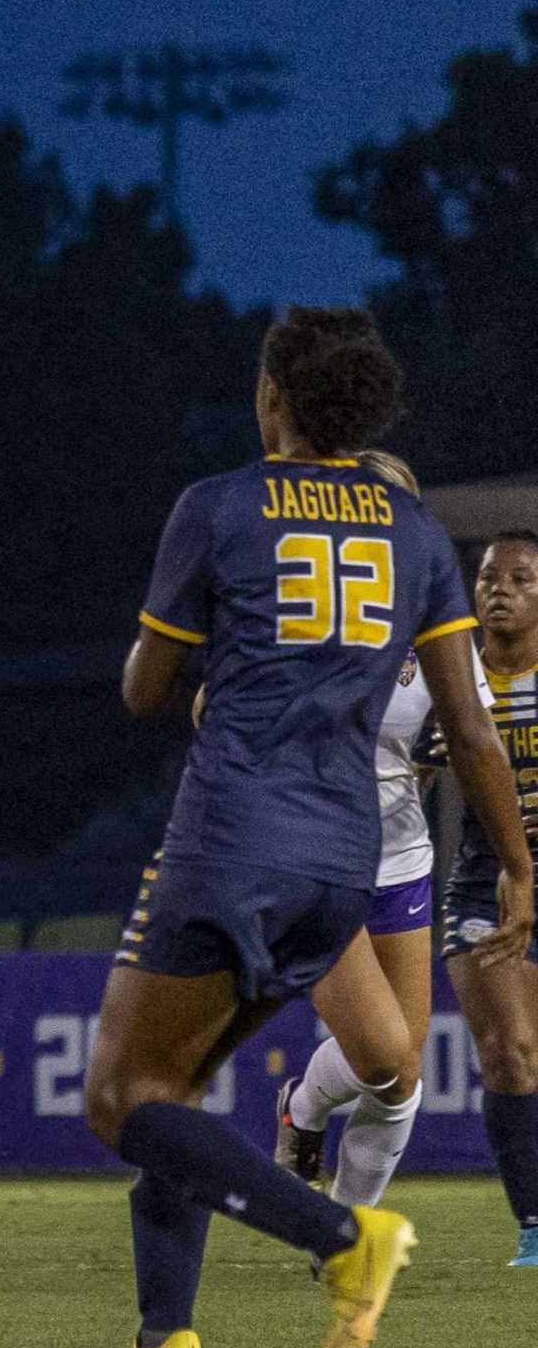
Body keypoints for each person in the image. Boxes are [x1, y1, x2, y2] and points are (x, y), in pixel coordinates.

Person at [89, 307, 531, 1348]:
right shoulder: (413, 532)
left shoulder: (219, 508)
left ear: (273, 395)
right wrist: (519, 865)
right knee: (178, 1086)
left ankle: (345, 1239)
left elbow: (148, 690)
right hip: (345, 865)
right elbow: (469, 730)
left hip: (234, 838)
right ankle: (165, 1347)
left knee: (120, 1096)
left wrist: (181, 642)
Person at [274, 451, 490, 1207]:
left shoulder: (438, 622)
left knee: (402, 1079)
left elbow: (478, 735)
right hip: (314, 856)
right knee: (382, 1054)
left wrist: (446, 749)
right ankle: (302, 1106)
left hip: (401, 856)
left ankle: (345, 1235)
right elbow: (215, 708)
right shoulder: (300, 608)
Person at [437, 528, 538, 1265]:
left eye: (522, 578)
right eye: (488, 577)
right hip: (482, 879)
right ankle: (535, 1227)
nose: (500, 588)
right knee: (509, 1052)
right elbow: (391, 772)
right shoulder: (447, 680)